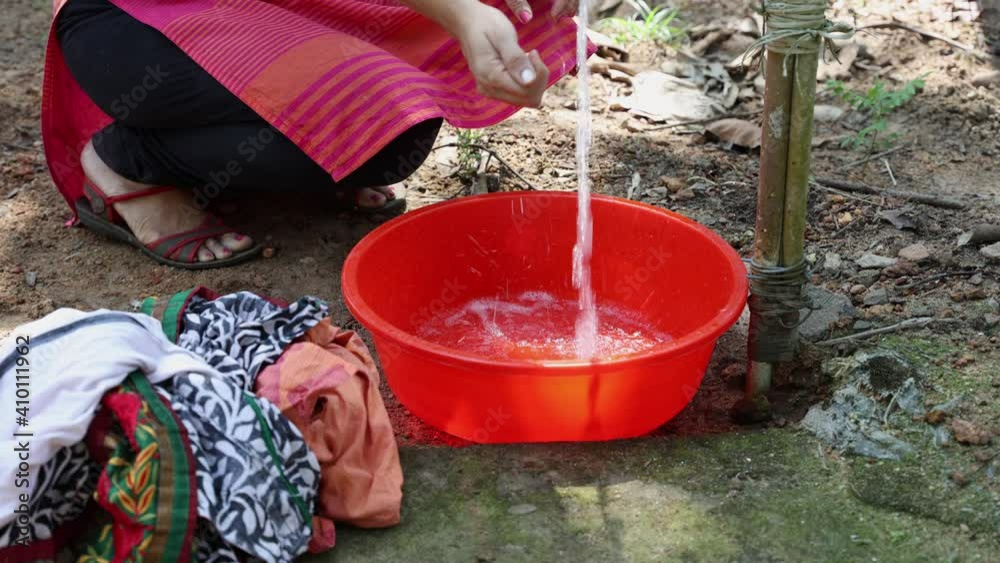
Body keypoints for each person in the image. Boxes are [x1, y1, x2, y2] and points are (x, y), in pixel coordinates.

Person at [43, 0, 586, 268]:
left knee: (391, 133)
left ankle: (305, 150)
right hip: (137, 20)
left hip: (289, 7)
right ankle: (130, 158)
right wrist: (460, 13)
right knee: (378, 111)